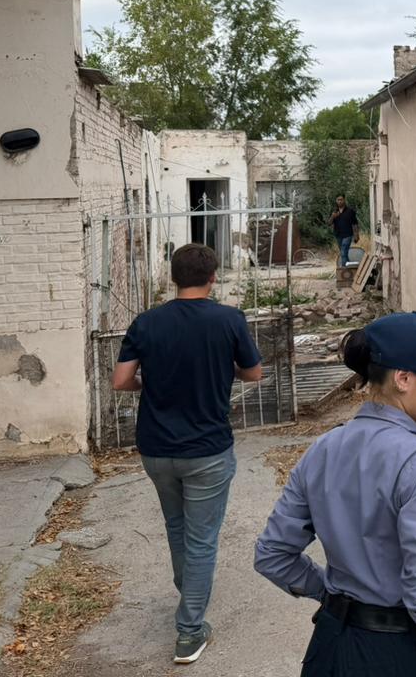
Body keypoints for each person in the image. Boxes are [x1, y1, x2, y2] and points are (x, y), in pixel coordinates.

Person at [254, 312, 416, 677]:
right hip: (396, 653)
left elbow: (273, 555)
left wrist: (331, 594)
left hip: (329, 647)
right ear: (403, 379)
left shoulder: (323, 448)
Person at [112, 243, 263, 665]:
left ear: (174, 277)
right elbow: (254, 373)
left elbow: (121, 380)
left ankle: (189, 598)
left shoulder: (146, 322)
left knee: (177, 528)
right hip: (208, 450)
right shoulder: (228, 319)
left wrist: (152, 384)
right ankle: (189, 631)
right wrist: (222, 368)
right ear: (213, 277)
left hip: (157, 450)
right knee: (201, 540)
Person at [331, 195, 359, 268]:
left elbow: (355, 223)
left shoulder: (350, 211)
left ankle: (344, 269)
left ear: (344, 200)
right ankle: (349, 269)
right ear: (336, 201)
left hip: (348, 234)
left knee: (343, 252)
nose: (340, 201)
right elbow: (328, 223)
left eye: (341, 199)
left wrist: (356, 235)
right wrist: (332, 217)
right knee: (344, 253)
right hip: (338, 235)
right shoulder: (334, 211)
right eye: (338, 200)